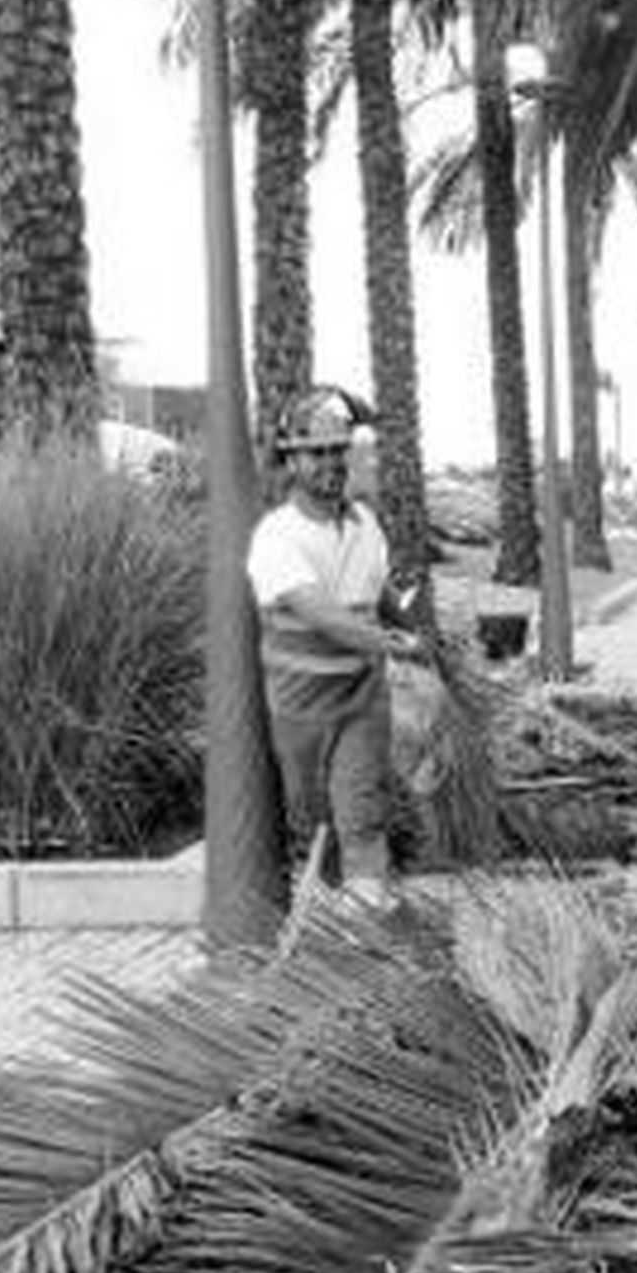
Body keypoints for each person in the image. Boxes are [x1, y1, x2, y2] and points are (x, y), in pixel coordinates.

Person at [247, 385, 416, 910]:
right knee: (315, 827)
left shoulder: (365, 525)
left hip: (362, 701)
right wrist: (386, 642)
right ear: (290, 460)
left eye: (338, 451)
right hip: (301, 710)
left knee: (362, 818)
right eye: (316, 453)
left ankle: (369, 931)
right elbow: (316, 610)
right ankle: (333, 937)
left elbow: (378, 588)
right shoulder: (277, 537)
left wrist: (409, 626)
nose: (331, 463)